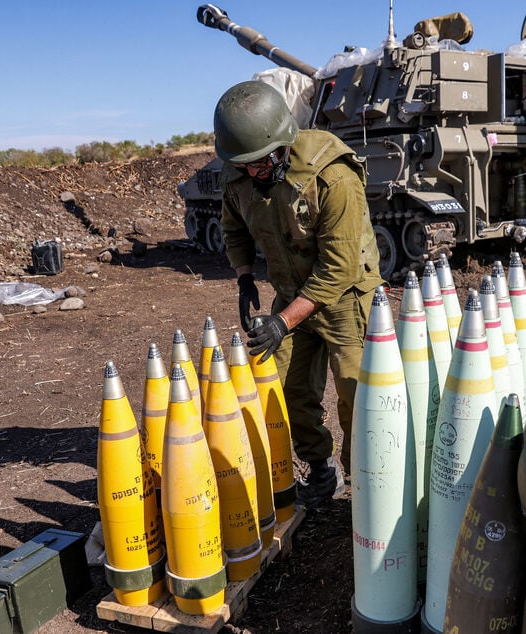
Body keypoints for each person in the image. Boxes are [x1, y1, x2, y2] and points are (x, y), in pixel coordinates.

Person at [214, 80, 383, 508]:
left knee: (357, 395)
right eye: (244, 164)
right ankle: (322, 470)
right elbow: (233, 227)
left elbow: (338, 268)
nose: (251, 171)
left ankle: (364, 485)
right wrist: (245, 276)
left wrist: (282, 321)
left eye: (257, 162)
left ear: (281, 144)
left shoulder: (333, 178)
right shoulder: (241, 175)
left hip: (345, 300)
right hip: (289, 295)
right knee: (283, 391)